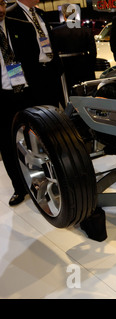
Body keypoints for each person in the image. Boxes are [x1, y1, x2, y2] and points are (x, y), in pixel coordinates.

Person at [0, 0, 40, 206]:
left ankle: (39, 181)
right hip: (2, 98)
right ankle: (19, 187)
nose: (0, 10)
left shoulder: (22, 26)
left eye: (1, 4)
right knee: (7, 145)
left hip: (26, 93)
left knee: (33, 139)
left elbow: (33, 61)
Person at [7, 0, 63, 107]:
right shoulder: (10, 15)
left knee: (53, 114)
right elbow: (10, 51)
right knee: (35, 115)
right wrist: (17, 81)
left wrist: (57, 67)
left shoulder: (40, 13)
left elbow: (48, 39)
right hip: (30, 75)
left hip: (50, 71)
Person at [51, 3, 96, 89]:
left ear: (64, 15)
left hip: (65, 71)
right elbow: (93, 52)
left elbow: (54, 53)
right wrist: (90, 67)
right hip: (84, 69)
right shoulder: (86, 30)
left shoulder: (55, 32)